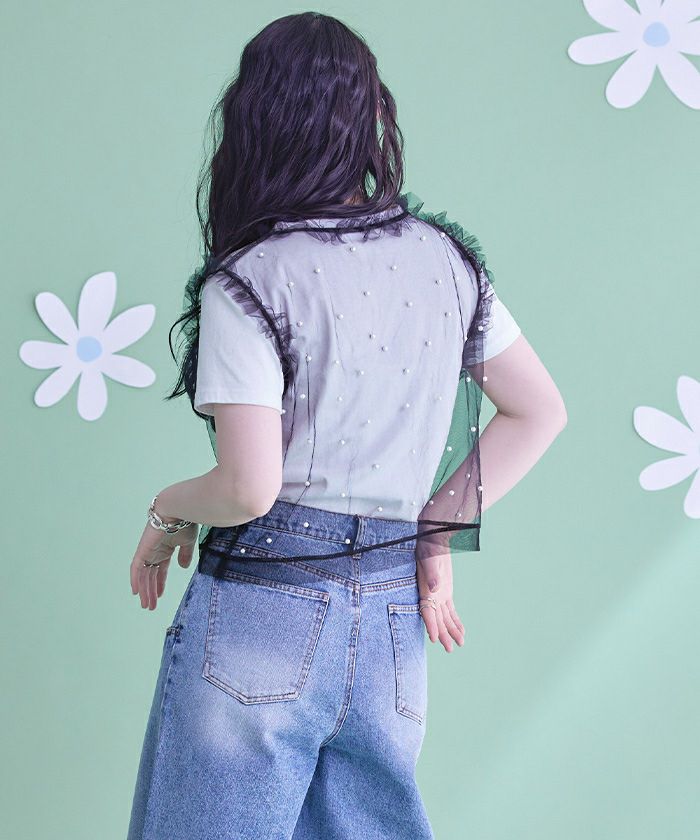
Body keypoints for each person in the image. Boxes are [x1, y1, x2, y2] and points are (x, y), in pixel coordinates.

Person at [126, 11, 567, 840]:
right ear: (370, 119)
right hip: (394, 620)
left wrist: (166, 510)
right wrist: (434, 532)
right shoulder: (447, 261)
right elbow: (539, 410)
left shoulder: (251, 278)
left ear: (254, 122)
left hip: (264, 608)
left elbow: (247, 488)